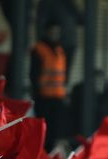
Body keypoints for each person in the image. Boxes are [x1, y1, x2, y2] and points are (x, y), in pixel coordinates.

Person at [30, 20, 67, 151]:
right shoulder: (39, 49)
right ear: (46, 32)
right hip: (44, 97)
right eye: (52, 31)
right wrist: (37, 93)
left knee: (54, 131)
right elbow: (34, 74)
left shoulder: (60, 50)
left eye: (57, 32)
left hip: (57, 96)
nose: (55, 34)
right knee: (43, 132)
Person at [36, 0, 83, 80]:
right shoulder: (47, 2)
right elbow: (41, 23)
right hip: (55, 45)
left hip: (69, 43)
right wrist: (44, 43)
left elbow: (81, 20)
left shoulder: (69, 3)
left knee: (63, 75)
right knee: (51, 74)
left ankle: (60, 90)